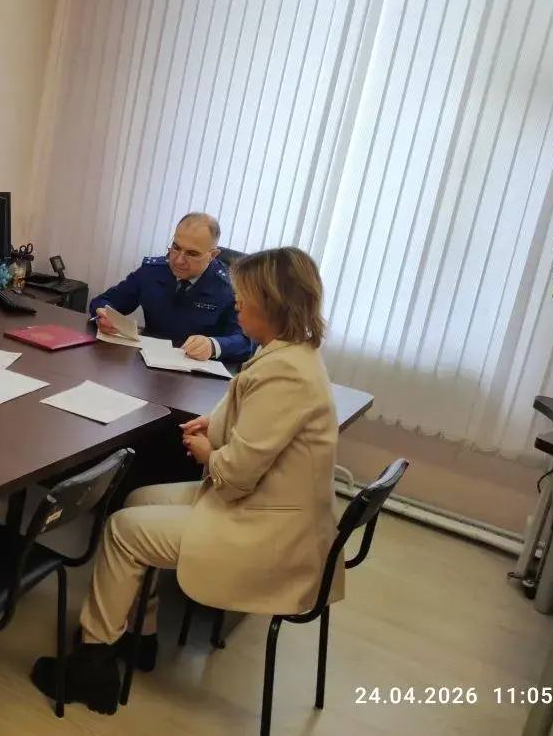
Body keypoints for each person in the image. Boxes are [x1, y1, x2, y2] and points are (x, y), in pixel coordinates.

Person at [32, 247, 344, 714]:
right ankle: (140, 635)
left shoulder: (288, 375)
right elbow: (256, 425)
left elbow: (236, 475)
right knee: (138, 498)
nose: (237, 303)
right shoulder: (291, 355)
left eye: (245, 296)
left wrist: (206, 452)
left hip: (268, 528)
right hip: (267, 504)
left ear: (273, 304)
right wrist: (213, 426)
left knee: (122, 530)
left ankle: (92, 666)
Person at [90, 212, 254, 363]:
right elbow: (105, 301)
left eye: (192, 253)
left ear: (212, 255)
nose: (179, 260)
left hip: (197, 373)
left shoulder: (229, 288)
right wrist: (103, 314)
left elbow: (246, 341)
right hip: (148, 364)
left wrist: (213, 345)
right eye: (176, 248)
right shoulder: (153, 272)